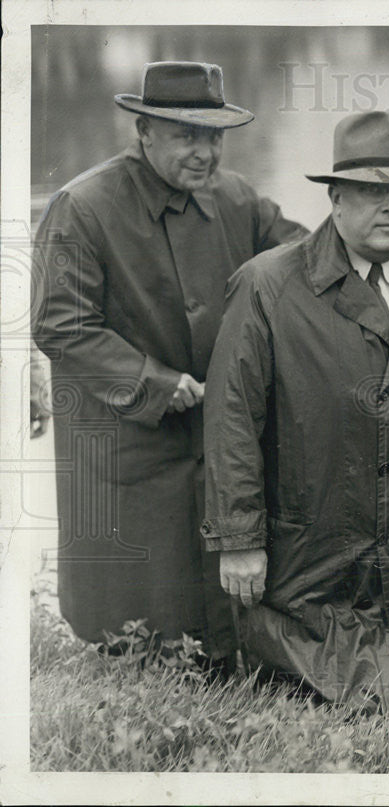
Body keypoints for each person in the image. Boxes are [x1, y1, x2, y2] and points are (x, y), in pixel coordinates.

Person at [201, 110, 389, 710]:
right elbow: (231, 420)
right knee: (311, 707)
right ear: (335, 200)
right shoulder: (266, 287)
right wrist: (238, 538)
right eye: (373, 191)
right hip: (312, 545)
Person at [32, 62, 307, 668]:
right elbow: (60, 324)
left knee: (213, 610)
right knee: (130, 613)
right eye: (188, 135)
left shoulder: (237, 199)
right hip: (128, 440)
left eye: (214, 136)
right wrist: (153, 382)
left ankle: (219, 662)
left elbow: (303, 260)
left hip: (214, 437)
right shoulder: (80, 206)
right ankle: (125, 670)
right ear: (145, 129)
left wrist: (376, 256)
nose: (205, 152)